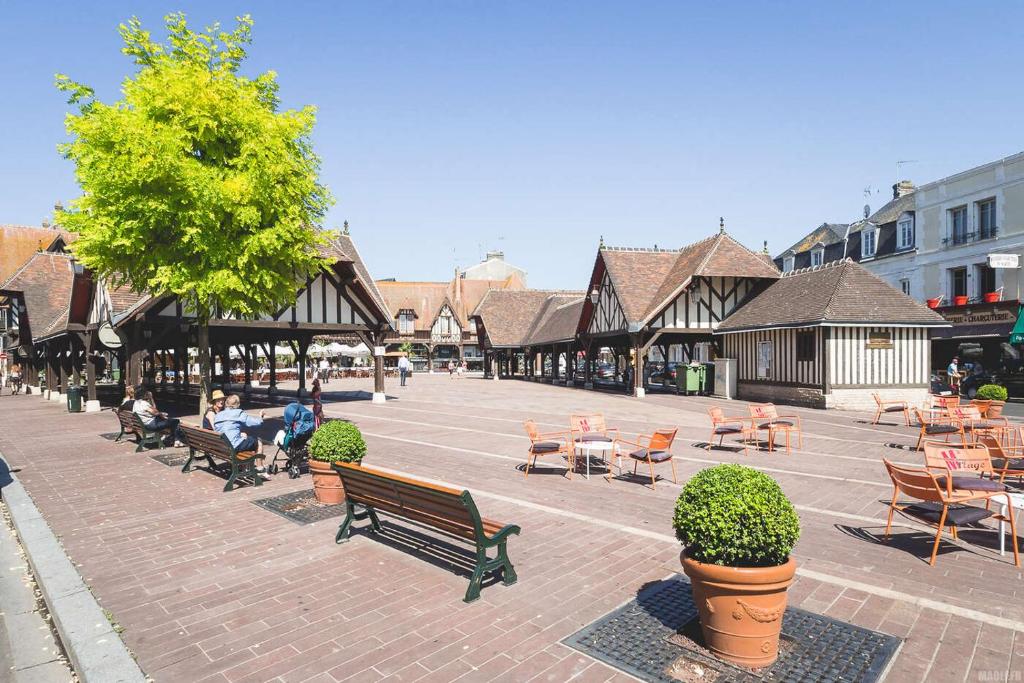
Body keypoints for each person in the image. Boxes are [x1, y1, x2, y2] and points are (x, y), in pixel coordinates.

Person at [213, 394, 270, 479]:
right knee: (258, 441)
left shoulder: (218, 415)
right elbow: (255, 423)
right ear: (237, 404)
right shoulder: (238, 413)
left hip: (222, 446)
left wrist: (239, 434)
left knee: (245, 438)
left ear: (226, 404)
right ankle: (260, 468)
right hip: (233, 446)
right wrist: (260, 417)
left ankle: (245, 469)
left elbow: (224, 429)